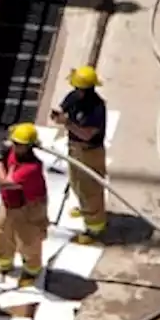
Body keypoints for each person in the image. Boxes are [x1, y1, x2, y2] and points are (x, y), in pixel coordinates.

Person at [0, 123, 48, 287]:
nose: (15, 146)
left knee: (28, 241)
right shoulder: (12, 152)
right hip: (10, 203)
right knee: (0, 231)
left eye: (19, 145)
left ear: (30, 146)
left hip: (29, 208)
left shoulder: (32, 168)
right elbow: (0, 171)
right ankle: (4, 264)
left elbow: (4, 183)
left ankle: (32, 271)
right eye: (15, 143)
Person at [51, 65, 108, 245]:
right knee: (76, 183)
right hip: (75, 148)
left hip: (90, 151)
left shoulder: (96, 108)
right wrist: (58, 114)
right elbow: (63, 108)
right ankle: (86, 209)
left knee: (91, 189)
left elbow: (87, 134)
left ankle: (95, 228)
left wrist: (67, 123)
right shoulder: (74, 97)